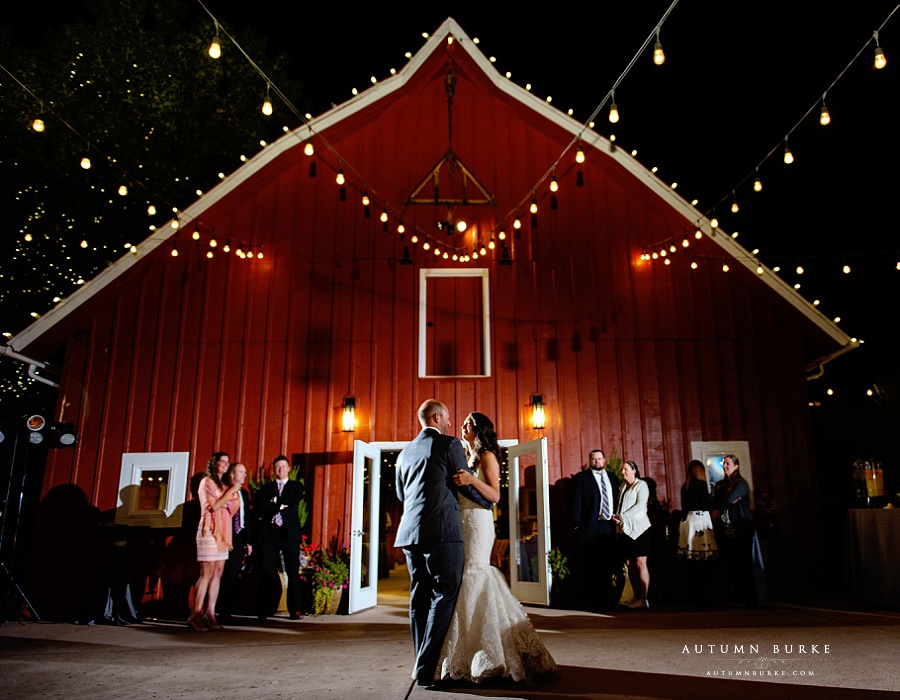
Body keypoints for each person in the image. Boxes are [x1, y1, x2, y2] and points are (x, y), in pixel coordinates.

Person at [437, 411, 557, 683]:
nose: (463, 425)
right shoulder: (467, 458)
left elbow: (494, 495)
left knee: (475, 574)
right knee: (465, 579)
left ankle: (494, 653)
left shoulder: (488, 456)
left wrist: (471, 480)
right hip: (462, 523)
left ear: (480, 429)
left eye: (469, 422)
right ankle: (470, 650)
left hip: (479, 523)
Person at [394, 399, 493, 688]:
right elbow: (461, 482)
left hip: (411, 534)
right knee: (445, 593)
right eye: (448, 419)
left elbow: (402, 495)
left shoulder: (404, 453)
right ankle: (425, 667)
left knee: (419, 596)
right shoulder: (448, 445)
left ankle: (420, 659)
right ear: (437, 417)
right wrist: (487, 500)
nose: (450, 424)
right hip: (442, 531)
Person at [189, 452, 241, 631]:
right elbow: (215, 506)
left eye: (228, 462)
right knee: (207, 572)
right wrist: (230, 494)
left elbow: (234, 507)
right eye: (223, 462)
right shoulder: (206, 483)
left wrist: (227, 497)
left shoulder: (225, 485)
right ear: (215, 463)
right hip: (209, 530)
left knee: (218, 572)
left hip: (223, 533)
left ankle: (210, 613)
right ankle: (195, 614)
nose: (226, 465)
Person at [255, 455, 304, 620]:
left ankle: (295, 609)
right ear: (274, 469)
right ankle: (264, 609)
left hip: (289, 534)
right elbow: (261, 505)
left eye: (283, 466)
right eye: (277, 467)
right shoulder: (266, 488)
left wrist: (274, 502)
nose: (280, 469)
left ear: (289, 468)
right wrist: (281, 504)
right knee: (266, 571)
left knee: (292, 572)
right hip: (270, 534)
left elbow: (294, 499)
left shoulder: (296, 486)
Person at [571, 449, 619, 611]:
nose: (597, 462)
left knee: (607, 564)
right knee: (590, 565)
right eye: (594, 459)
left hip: (608, 526)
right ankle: (590, 601)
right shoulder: (582, 478)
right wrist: (577, 526)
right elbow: (576, 502)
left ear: (604, 460)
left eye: (600, 459)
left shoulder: (612, 478)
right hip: (590, 527)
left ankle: (605, 600)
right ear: (590, 461)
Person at [712, 454, 758, 607]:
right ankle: (738, 594)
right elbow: (717, 501)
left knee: (743, 562)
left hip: (741, 527)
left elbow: (727, 499)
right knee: (732, 562)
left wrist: (725, 501)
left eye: (728, 463)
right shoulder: (722, 484)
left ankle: (750, 597)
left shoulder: (741, 484)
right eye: (723, 463)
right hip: (727, 527)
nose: (725, 466)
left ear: (736, 466)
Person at [613, 460, 652, 609]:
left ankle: (644, 597)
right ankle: (635, 596)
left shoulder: (641, 485)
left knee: (640, 562)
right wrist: (617, 517)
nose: (623, 472)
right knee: (629, 563)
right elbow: (620, 505)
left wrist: (623, 516)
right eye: (622, 469)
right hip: (625, 530)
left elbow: (641, 505)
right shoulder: (622, 487)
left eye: (626, 469)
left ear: (634, 471)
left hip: (640, 529)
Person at [677, 460, 717, 605]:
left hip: (688, 521)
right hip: (700, 520)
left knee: (692, 560)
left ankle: (693, 592)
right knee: (705, 558)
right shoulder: (700, 485)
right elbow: (705, 504)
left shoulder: (685, 486)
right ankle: (701, 592)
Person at [218, 461, 252, 622]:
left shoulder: (244, 494)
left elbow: (246, 518)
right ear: (232, 475)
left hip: (239, 538)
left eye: (245, 472)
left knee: (233, 574)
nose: (244, 475)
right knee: (219, 574)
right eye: (241, 472)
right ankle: (214, 609)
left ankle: (226, 612)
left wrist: (248, 541)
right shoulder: (224, 490)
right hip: (225, 535)